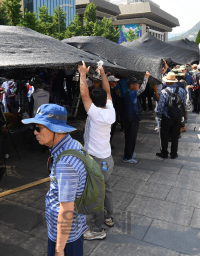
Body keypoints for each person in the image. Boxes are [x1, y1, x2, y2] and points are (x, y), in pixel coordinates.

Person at [22, 104, 87, 256]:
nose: (35, 132)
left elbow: (67, 210)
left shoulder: (66, 163)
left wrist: (59, 249)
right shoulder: (72, 144)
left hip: (67, 238)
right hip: (69, 232)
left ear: (56, 129)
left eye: (39, 128)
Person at [77, 62, 115, 241]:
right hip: (108, 158)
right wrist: (101, 72)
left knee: (95, 194)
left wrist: (83, 74)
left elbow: (84, 94)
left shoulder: (94, 113)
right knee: (106, 189)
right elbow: (107, 92)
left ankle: (97, 229)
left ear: (93, 101)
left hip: (96, 161)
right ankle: (108, 218)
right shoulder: (110, 111)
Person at [155, 72, 186, 159]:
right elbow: (184, 104)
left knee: (164, 136)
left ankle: (164, 153)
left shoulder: (164, 92)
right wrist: (183, 115)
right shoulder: (181, 90)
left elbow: (161, 105)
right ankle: (174, 153)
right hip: (177, 117)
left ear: (168, 82)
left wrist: (158, 115)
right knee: (175, 135)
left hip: (166, 117)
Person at [123, 72, 150, 163]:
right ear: (131, 86)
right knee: (131, 137)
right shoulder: (131, 94)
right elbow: (142, 89)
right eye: (137, 84)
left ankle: (129, 153)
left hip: (130, 118)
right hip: (132, 119)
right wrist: (146, 78)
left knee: (129, 137)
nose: (138, 85)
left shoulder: (129, 93)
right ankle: (128, 157)